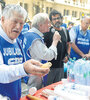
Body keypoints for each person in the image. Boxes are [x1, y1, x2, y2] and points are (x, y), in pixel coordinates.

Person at [0, 4, 50, 100]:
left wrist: (34, 70)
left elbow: (19, 69)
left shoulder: (17, 40)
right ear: (3, 20)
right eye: (14, 21)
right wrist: (24, 69)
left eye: (22, 23)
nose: (18, 27)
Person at [23, 13, 61, 89]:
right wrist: (55, 41)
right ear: (40, 25)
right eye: (48, 23)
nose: (50, 25)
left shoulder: (29, 34)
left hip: (31, 74)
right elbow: (47, 55)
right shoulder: (34, 38)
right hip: (33, 77)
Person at [44, 9, 70, 86]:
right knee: (48, 87)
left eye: (58, 18)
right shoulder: (48, 32)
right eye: (54, 19)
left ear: (61, 19)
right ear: (51, 21)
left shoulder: (65, 31)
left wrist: (67, 55)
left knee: (58, 87)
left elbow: (69, 44)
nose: (57, 20)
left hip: (61, 66)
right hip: (49, 67)